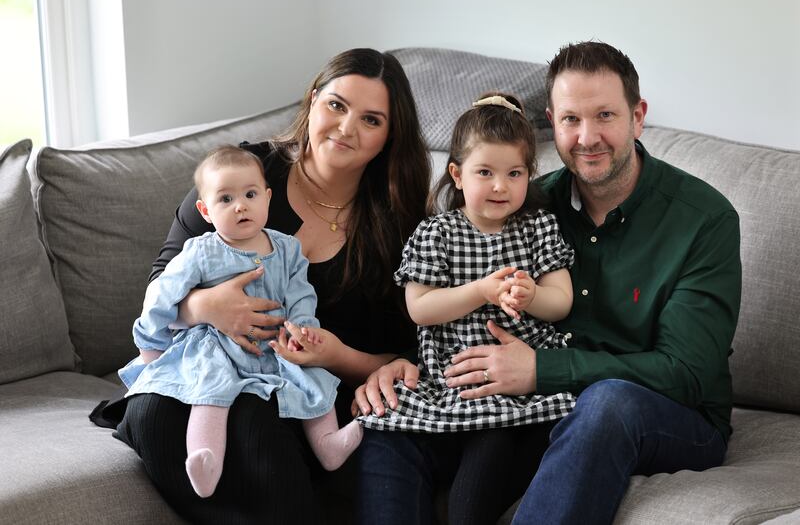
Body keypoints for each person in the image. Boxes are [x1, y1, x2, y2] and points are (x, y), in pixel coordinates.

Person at [354, 41, 741, 525]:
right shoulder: (526, 205)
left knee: (608, 401)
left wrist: (543, 370)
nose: (588, 137)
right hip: (539, 405)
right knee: (391, 428)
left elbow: (686, 374)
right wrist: (400, 364)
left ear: (638, 117)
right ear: (552, 124)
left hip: (667, 414)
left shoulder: (704, 219)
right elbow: (453, 304)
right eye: (571, 120)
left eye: (605, 115)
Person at [92, 48, 430, 524]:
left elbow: (409, 354)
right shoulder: (243, 174)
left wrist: (333, 354)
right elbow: (162, 281)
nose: (346, 127)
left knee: (254, 424)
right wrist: (208, 306)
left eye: (371, 119)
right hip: (201, 360)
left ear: (389, 136)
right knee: (149, 416)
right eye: (336, 105)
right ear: (313, 101)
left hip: (305, 388)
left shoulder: (400, 226)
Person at [119, 146, 363, 499]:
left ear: (266, 198)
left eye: (250, 195)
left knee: (314, 377)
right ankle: (206, 458)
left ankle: (329, 445)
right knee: (211, 388)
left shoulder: (286, 249)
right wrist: (149, 347)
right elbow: (162, 295)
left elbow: (300, 295)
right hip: (218, 345)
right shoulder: (202, 251)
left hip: (276, 344)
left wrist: (302, 329)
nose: (240, 206)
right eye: (225, 199)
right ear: (205, 210)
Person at [360, 92, 575, 433]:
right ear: (457, 175)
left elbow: (561, 303)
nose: (500, 186)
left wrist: (532, 295)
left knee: (498, 448)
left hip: (519, 381)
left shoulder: (538, 227)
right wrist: (481, 291)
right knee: (385, 428)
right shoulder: (436, 232)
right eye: (485, 172)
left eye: (514, 173)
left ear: (529, 174)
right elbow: (420, 308)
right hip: (449, 378)